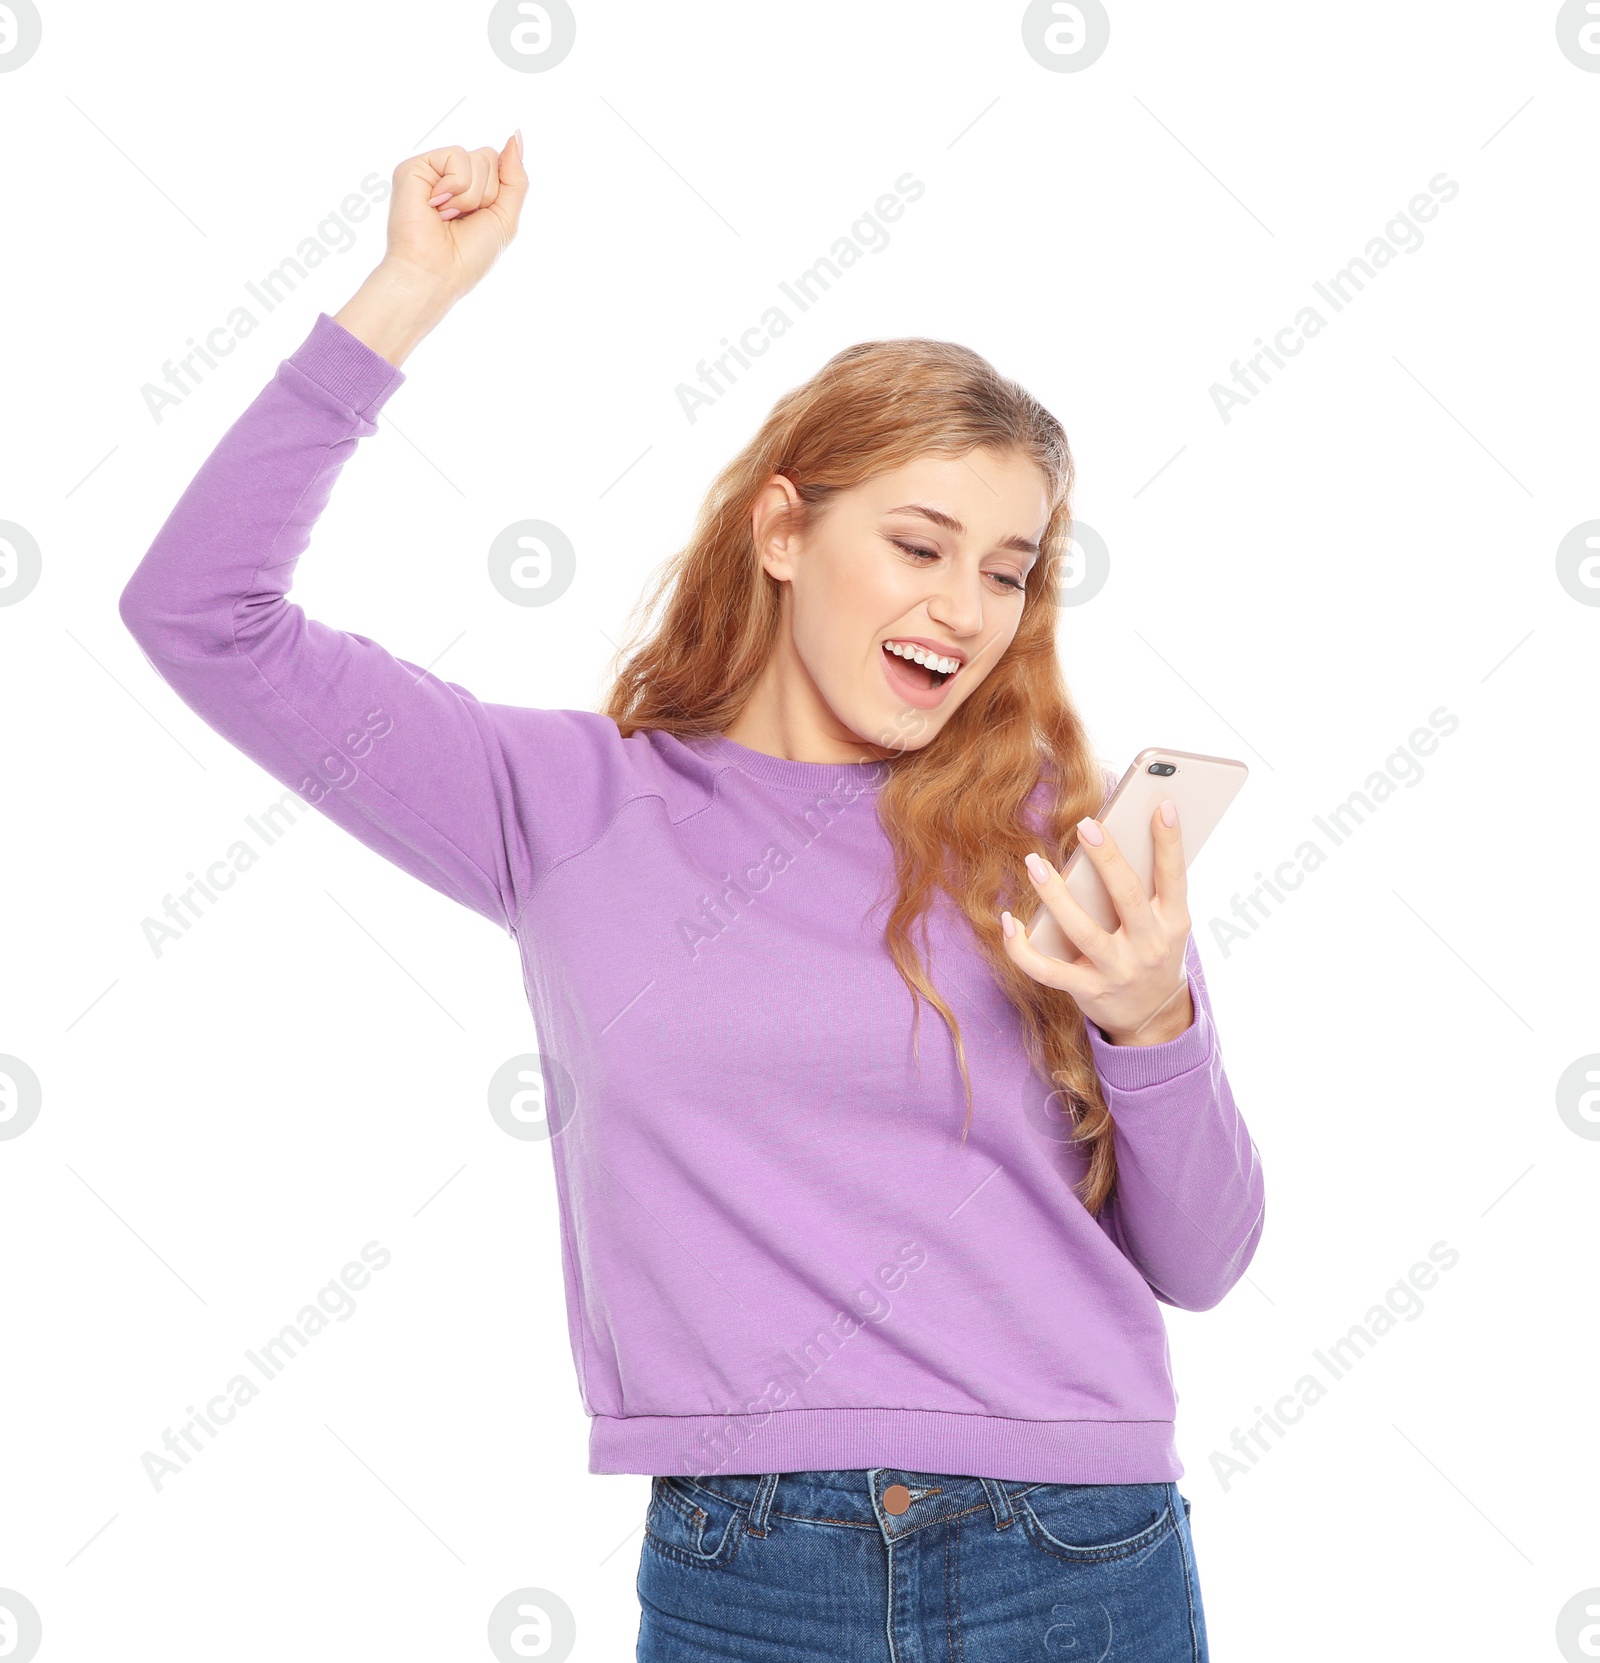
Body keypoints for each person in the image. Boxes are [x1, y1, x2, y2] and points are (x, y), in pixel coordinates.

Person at [119, 132, 1265, 1662]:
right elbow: (200, 614)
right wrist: (405, 292)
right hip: (749, 1561)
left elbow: (1205, 1262)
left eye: (1008, 570)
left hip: (1077, 1546)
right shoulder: (569, 805)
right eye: (918, 545)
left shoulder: (1049, 831)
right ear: (784, 531)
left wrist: (1150, 1017)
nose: (963, 610)